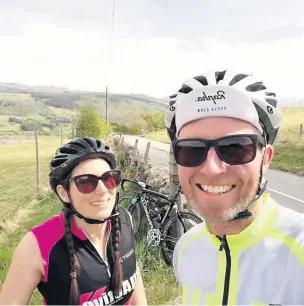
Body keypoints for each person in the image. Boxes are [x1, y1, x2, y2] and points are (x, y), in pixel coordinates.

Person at [165, 70, 304, 305]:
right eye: (191, 149)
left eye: (235, 147)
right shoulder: (185, 249)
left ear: (266, 158)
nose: (211, 169)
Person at [0, 136, 147, 305]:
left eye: (109, 178)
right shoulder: (37, 246)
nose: (102, 190)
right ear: (64, 193)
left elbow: (135, 285)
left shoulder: (125, 220)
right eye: (86, 182)